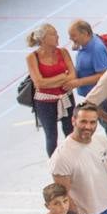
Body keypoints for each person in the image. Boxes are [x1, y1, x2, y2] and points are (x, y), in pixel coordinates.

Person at [26, 23, 77, 158]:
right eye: (53, 34)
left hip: (65, 97)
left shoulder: (63, 52)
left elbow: (72, 75)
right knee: (51, 135)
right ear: (43, 39)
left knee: (71, 131)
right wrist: (61, 77)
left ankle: (73, 159)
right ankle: (55, 165)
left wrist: (52, 81)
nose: (57, 36)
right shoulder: (32, 57)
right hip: (45, 102)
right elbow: (39, 83)